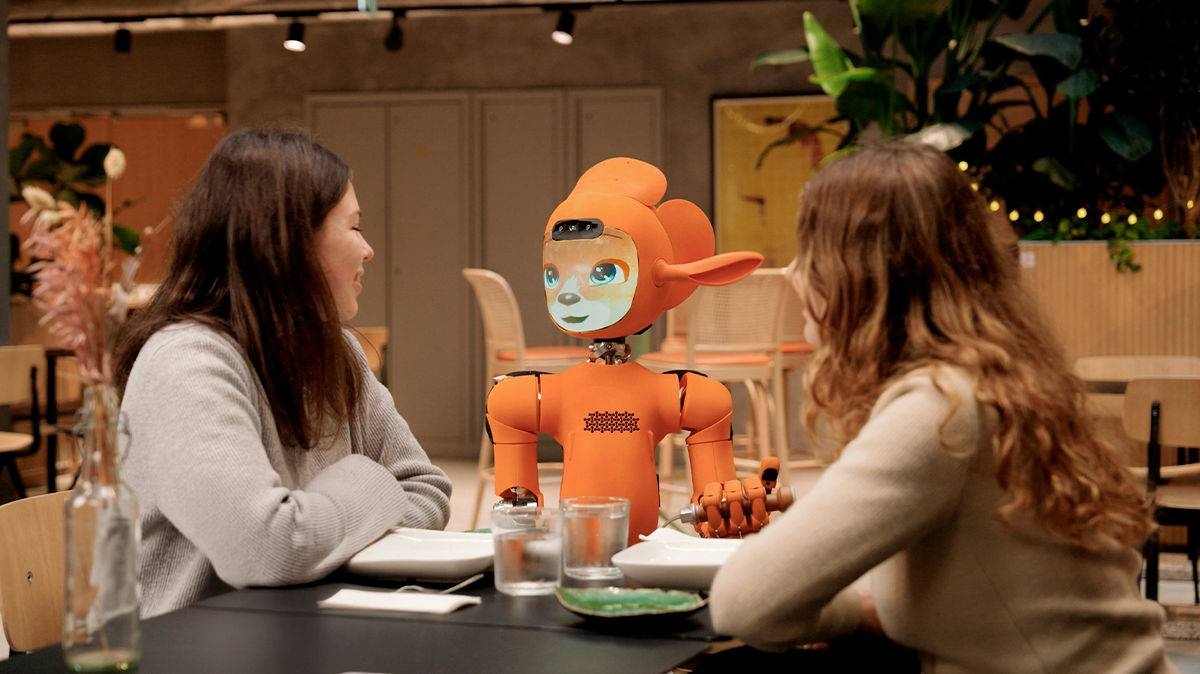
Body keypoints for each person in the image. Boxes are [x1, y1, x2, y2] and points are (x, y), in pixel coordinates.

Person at [708, 141, 1174, 673]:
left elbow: (744, 602)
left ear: (862, 274)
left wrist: (855, 615)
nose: (793, 273)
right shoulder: (993, 381)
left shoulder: (940, 409)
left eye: (810, 253)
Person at [115, 128, 451, 618]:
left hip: (307, 629)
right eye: (354, 227)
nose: (368, 250)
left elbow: (427, 489)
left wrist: (313, 536)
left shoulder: (336, 351)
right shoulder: (186, 362)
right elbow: (267, 549)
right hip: (186, 646)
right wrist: (366, 478)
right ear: (289, 242)